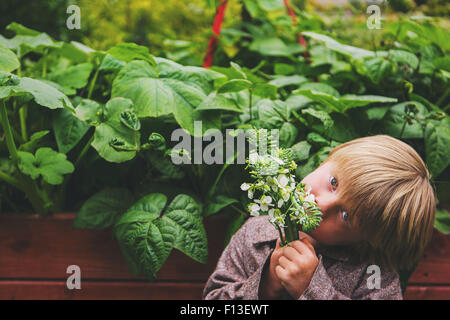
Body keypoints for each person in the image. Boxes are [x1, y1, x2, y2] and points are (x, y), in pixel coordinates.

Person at [203, 135, 436, 300]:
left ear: (366, 239)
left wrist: (312, 289)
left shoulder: (375, 275)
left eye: (346, 216)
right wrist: (264, 287)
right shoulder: (255, 233)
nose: (320, 204)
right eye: (333, 183)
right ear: (326, 160)